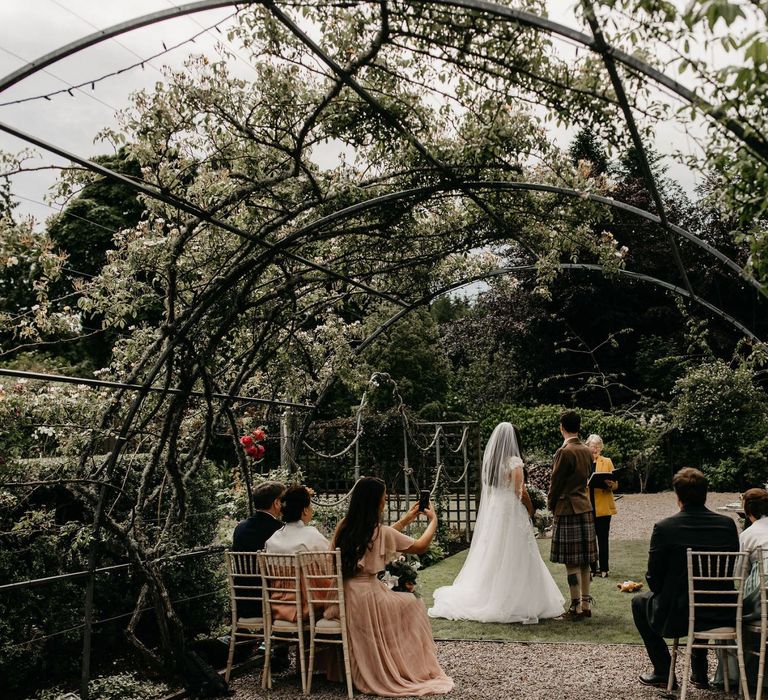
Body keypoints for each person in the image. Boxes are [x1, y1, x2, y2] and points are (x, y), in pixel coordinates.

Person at [428, 422, 564, 623]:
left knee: (495, 551)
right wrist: (531, 507)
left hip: (496, 510)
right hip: (511, 510)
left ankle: (492, 592)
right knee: (516, 552)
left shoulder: (491, 462)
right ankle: (517, 599)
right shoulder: (514, 462)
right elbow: (520, 491)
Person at [332, 476, 453, 697]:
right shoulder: (379, 531)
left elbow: (381, 538)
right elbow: (420, 546)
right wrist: (433, 520)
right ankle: (405, 662)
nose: (385, 500)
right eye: (384, 497)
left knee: (402, 600)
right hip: (368, 596)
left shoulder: (345, 527)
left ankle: (392, 656)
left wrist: (406, 519)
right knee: (413, 603)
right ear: (377, 502)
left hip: (345, 594)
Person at [632, 468, 739, 690]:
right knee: (699, 593)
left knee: (639, 602)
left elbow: (654, 579)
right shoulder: (727, 526)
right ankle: (699, 672)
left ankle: (663, 670)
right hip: (722, 610)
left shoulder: (665, 528)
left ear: (677, 495)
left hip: (678, 615)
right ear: (705, 494)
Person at [712, 487, 768, 689]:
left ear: (747, 510)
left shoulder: (748, 535)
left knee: (729, 613)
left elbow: (739, 576)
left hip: (762, 600)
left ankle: (733, 677)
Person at [548, 410, 597, 620]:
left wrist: (551, 504)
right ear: (579, 426)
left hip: (567, 508)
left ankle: (575, 606)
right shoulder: (587, 450)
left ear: (562, 427)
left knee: (571, 562)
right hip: (585, 506)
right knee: (585, 560)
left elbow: (556, 484)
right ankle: (586, 604)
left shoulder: (564, 451)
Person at [232, 480, 286, 618]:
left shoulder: (240, 528)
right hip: (270, 600)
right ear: (276, 503)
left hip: (242, 600)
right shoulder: (279, 529)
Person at [585, 434, 618, 578]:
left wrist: (611, 484)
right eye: (593, 446)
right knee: (590, 539)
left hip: (603, 507)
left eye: (598, 446)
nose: (595, 448)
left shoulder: (607, 461)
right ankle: (593, 568)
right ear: (587, 446)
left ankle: (604, 569)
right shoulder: (583, 461)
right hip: (587, 506)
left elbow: (616, 483)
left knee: (603, 538)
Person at [266, 485, 330, 554]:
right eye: (310, 505)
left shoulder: (272, 539)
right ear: (305, 510)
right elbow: (331, 557)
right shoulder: (312, 536)